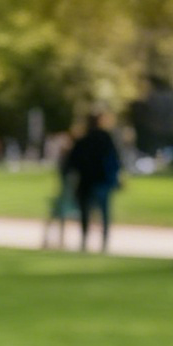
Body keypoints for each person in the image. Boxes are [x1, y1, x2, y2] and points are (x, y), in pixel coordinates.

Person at [65, 108, 122, 251]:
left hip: (87, 181)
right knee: (103, 211)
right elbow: (114, 160)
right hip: (99, 180)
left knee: (87, 212)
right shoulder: (103, 139)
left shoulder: (84, 139)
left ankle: (86, 239)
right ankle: (103, 240)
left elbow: (72, 162)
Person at [43, 123, 78, 247]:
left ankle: (52, 239)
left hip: (67, 190)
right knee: (60, 214)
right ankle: (54, 239)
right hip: (67, 190)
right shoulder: (65, 160)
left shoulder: (66, 159)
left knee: (58, 214)